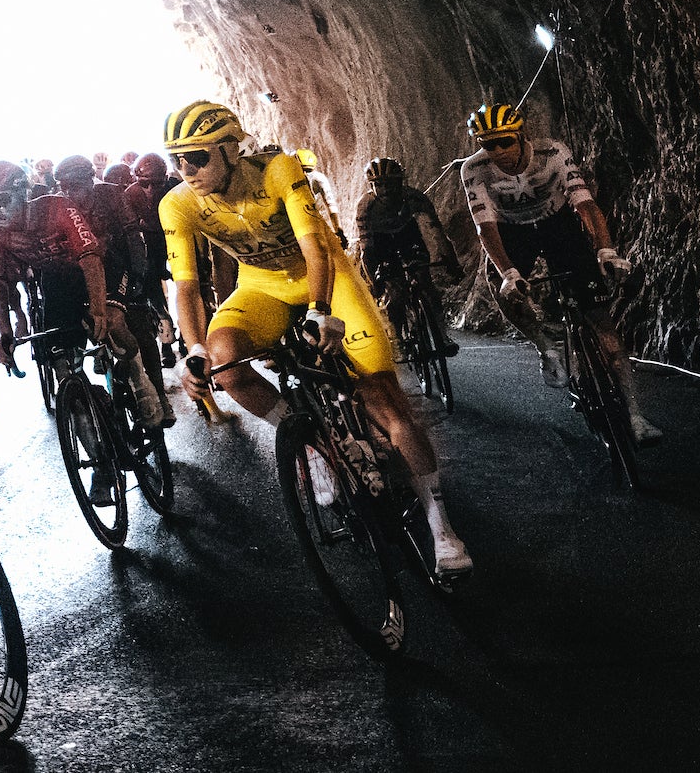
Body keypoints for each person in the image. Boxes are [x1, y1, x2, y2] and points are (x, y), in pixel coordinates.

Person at [157, 101, 472, 575]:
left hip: (325, 279)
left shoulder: (277, 171)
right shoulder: (177, 203)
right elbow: (186, 285)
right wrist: (194, 349)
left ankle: (441, 524)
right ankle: (311, 442)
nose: (185, 170)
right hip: (261, 288)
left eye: (196, 157)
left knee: (384, 403)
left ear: (228, 149)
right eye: (175, 160)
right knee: (224, 361)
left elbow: (314, 246)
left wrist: (321, 311)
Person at [459, 104, 659, 444]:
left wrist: (605, 250)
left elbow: (585, 205)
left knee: (601, 322)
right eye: (487, 144)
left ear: (520, 135)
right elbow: (485, 228)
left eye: (504, 142)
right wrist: (508, 273)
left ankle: (636, 416)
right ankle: (544, 347)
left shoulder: (553, 153)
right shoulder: (473, 169)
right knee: (503, 292)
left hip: (557, 225)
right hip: (511, 233)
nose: (498, 152)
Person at [0, 159, 129, 378]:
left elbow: (90, 260)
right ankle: (77, 394)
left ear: (23, 195)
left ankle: (142, 389)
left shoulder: (56, 207)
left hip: (103, 267)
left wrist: (99, 310)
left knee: (119, 332)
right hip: (58, 279)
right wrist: (6, 333)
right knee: (58, 351)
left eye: (1, 200)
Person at [57, 154, 170, 426]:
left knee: (140, 328)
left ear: (90, 180)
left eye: (78, 187)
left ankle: (160, 396)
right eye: (66, 188)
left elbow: (133, 238)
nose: (72, 194)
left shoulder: (111, 195)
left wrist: (137, 280)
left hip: (122, 266)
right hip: (86, 275)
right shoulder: (59, 207)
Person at [354, 157, 462, 365]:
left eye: (390, 184)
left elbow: (437, 232)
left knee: (425, 282)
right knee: (395, 293)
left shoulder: (415, 198)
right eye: (379, 185)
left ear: (401, 182)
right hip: (381, 242)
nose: (385, 190)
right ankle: (397, 339)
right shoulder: (366, 206)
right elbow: (366, 249)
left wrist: (451, 261)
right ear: (371, 186)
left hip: (407, 235)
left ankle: (442, 334)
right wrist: (374, 281)